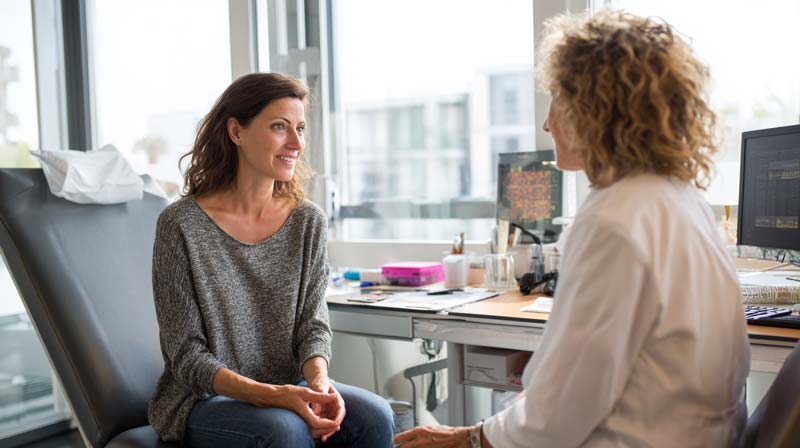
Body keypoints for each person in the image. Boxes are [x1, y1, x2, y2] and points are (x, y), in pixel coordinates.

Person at [394, 10, 749, 448]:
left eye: (557, 98)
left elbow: (557, 417)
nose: (547, 122)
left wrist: (467, 439)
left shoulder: (614, 219)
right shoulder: (681, 198)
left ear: (597, 108)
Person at [147, 72, 394, 447]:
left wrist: (319, 383)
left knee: (375, 416)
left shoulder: (306, 220)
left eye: (300, 128)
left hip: (288, 385)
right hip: (201, 399)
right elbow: (188, 357)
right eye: (280, 127)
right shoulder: (180, 225)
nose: (296, 142)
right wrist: (276, 396)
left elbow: (312, 325)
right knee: (285, 429)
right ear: (236, 132)